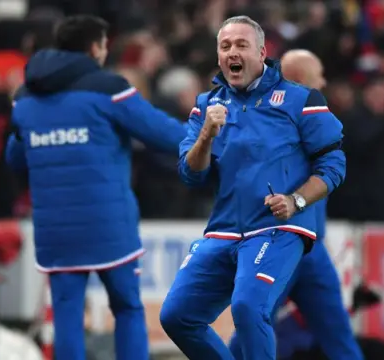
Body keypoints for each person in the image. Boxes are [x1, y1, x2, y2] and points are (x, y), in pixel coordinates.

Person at [159, 16, 347, 360]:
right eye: (226, 46)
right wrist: (206, 136)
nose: (233, 51)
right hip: (224, 231)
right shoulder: (206, 106)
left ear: (261, 53)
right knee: (176, 316)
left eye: (242, 45)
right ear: (218, 55)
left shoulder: (300, 99)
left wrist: (296, 200)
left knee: (247, 307)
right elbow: (191, 173)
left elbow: (334, 165)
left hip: (279, 229)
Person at [5, 15, 186, 360]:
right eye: (104, 45)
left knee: (67, 317)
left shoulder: (24, 97)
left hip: (54, 228)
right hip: (108, 224)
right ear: (94, 48)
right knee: (128, 309)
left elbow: (15, 158)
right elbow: (164, 134)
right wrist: (208, 132)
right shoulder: (108, 88)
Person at [226, 49, 363, 360]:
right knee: (253, 329)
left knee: (337, 336)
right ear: (302, 82)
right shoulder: (270, 126)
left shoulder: (310, 121)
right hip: (280, 246)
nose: (325, 81)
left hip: (312, 252)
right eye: (319, 76)